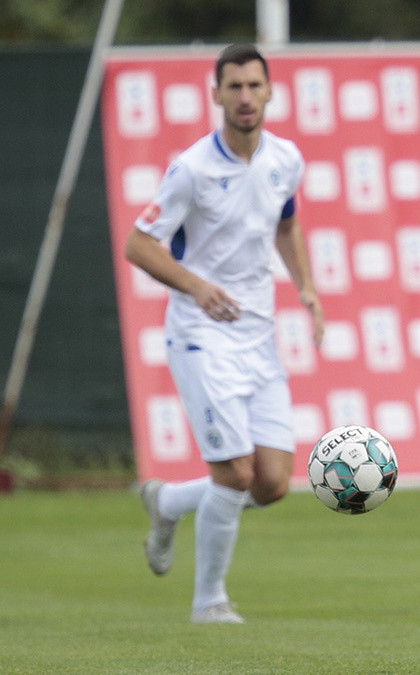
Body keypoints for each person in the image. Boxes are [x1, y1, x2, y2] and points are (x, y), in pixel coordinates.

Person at [126, 44, 324, 625]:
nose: (243, 97)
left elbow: (286, 224)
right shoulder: (191, 169)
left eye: (253, 86)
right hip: (200, 336)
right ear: (215, 94)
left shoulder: (286, 158)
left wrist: (307, 288)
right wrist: (196, 287)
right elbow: (139, 243)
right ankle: (209, 601)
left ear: (269, 92)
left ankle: (166, 502)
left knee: (271, 484)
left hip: (258, 338)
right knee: (234, 474)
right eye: (232, 86)